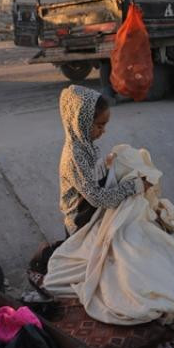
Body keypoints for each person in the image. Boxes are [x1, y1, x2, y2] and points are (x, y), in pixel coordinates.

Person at [57, 85, 148, 235]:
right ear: (81, 123)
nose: (104, 131)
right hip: (80, 223)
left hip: (93, 211)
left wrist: (109, 166)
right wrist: (135, 186)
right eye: (100, 126)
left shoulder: (88, 146)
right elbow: (98, 198)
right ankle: (51, 248)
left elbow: (95, 177)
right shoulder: (75, 155)